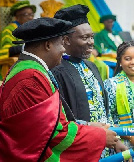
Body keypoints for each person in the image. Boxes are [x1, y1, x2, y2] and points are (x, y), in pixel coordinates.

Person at [0, 17, 118, 161]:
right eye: (62, 43)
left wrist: (87, 125)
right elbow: (53, 135)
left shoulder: (31, 70)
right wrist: (99, 137)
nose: (64, 49)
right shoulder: (31, 78)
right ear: (48, 45)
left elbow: (51, 124)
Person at [51, 5, 127, 158]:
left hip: (105, 146)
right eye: (84, 38)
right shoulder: (58, 71)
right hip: (82, 148)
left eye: (92, 36)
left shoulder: (91, 66)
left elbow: (105, 110)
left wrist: (115, 138)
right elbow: (62, 121)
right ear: (66, 40)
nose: (91, 42)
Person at [0, 0, 36, 80]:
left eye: (31, 14)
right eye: (26, 14)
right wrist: (24, 47)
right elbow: (5, 51)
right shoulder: (9, 30)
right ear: (16, 17)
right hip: (12, 68)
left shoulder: (30, 30)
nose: (30, 17)